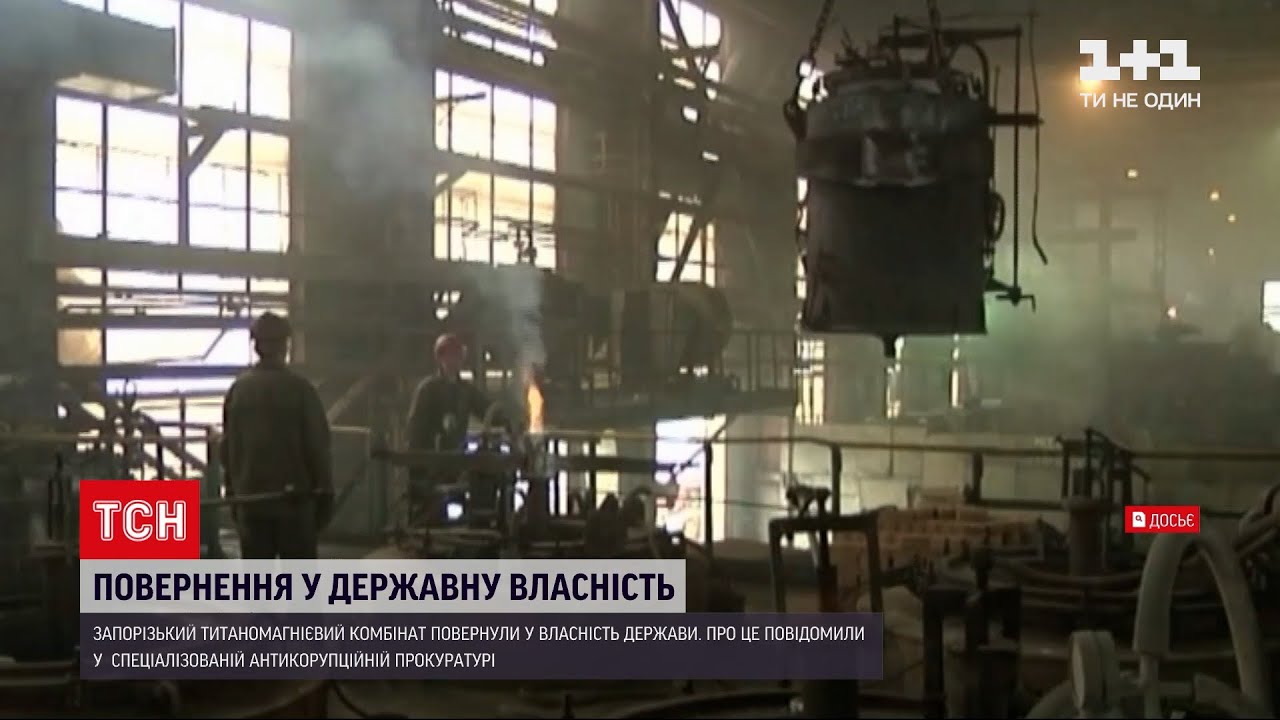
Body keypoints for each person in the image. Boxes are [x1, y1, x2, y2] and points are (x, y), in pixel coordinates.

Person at [220, 312, 334, 559]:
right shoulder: (300, 390)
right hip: (294, 506)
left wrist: (233, 496)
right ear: (285, 346)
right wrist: (325, 495)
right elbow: (317, 446)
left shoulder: (238, 391)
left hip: (251, 503)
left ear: (256, 346)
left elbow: (228, 450)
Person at [405, 333, 504, 522]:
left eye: (458, 356)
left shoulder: (465, 391)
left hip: (456, 463)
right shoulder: (428, 390)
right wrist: (419, 467)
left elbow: (486, 409)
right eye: (450, 355)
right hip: (432, 464)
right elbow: (415, 431)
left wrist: (507, 419)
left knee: (482, 482)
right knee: (430, 515)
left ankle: (479, 523)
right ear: (440, 358)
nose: (455, 361)